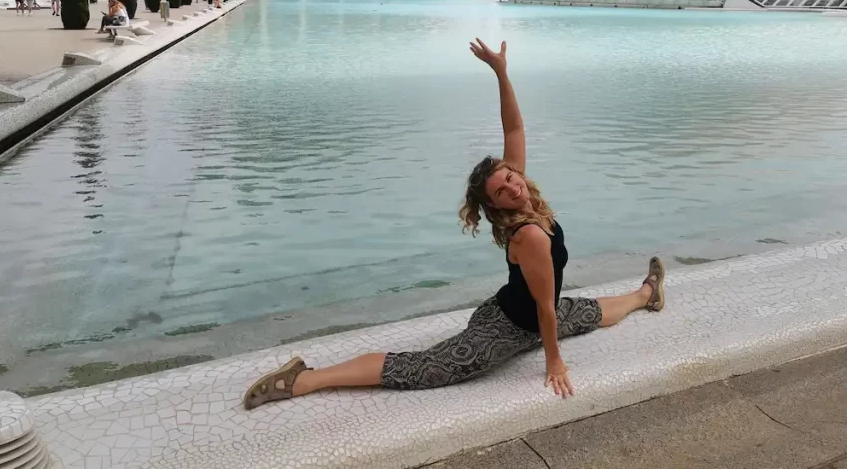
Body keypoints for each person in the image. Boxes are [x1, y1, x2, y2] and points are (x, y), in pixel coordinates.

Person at [243, 39, 666, 410]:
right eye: (501, 191)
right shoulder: (529, 233)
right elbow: (542, 309)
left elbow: (514, 126)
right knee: (427, 368)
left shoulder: (526, 199)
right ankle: (304, 379)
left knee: (590, 312)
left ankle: (647, 292)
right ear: (494, 205)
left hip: (533, 311)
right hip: (508, 326)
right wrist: (553, 360)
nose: (512, 187)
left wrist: (501, 72)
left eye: (510, 178)